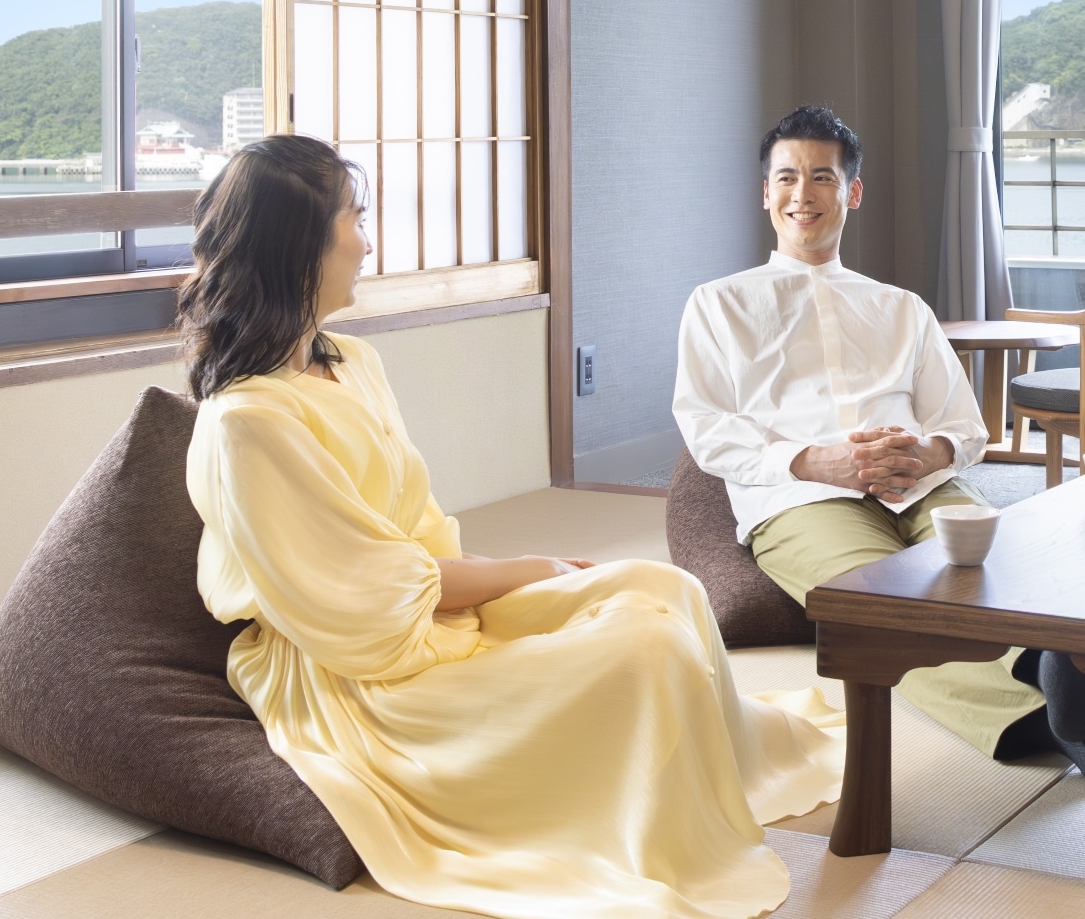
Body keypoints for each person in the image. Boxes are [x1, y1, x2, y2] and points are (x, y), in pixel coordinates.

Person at [183, 135, 840, 919]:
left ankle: (724, 773)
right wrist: (523, 570)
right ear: (298, 245)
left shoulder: (352, 361)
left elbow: (417, 535)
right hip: (358, 672)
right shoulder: (247, 422)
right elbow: (368, 602)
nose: (367, 239)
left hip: (431, 604)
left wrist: (504, 575)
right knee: (643, 649)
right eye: (354, 219)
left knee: (661, 585)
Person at [672, 104, 1085, 784]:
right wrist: (819, 459)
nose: (803, 194)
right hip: (800, 495)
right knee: (885, 613)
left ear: (853, 192)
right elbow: (707, 428)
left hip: (925, 485)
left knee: (1003, 574)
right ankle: (1068, 709)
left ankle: (1083, 703)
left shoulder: (901, 307)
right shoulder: (718, 304)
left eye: (822, 177)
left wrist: (927, 453)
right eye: (786, 178)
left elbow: (965, 428)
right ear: (766, 194)